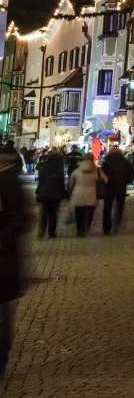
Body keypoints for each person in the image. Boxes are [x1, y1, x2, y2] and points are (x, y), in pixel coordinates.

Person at [1, 141, 29, 379]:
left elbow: (20, 219)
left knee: (1, 318)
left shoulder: (10, 182)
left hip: (3, 260)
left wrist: (2, 239)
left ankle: (0, 359)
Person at [100, 145, 134, 234]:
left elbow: (102, 175)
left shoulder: (106, 162)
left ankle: (106, 228)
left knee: (107, 208)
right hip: (121, 188)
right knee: (119, 207)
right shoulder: (126, 162)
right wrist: (125, 182)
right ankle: (116, 225)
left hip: (109, 188)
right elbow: (132, 175)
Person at [35, 147, 67, 239]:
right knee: (53, 214)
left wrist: (38, 191)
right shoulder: (59, 170)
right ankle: (52, 233)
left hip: (44, 194)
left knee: (44, 213)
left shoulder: (44, 167)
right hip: (55, 195)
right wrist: (63, 193)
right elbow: (61, 183)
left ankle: (41, 231)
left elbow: (41, 181)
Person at [67, 153, 99, 237]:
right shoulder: (97, 171)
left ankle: (79, 231)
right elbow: (106, 180)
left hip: (78, 194)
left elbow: (70, 184)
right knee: (89, 214)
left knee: (79, 214)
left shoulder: (76, 171)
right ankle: (86, 229)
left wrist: (69, 193)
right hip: (91, 194)